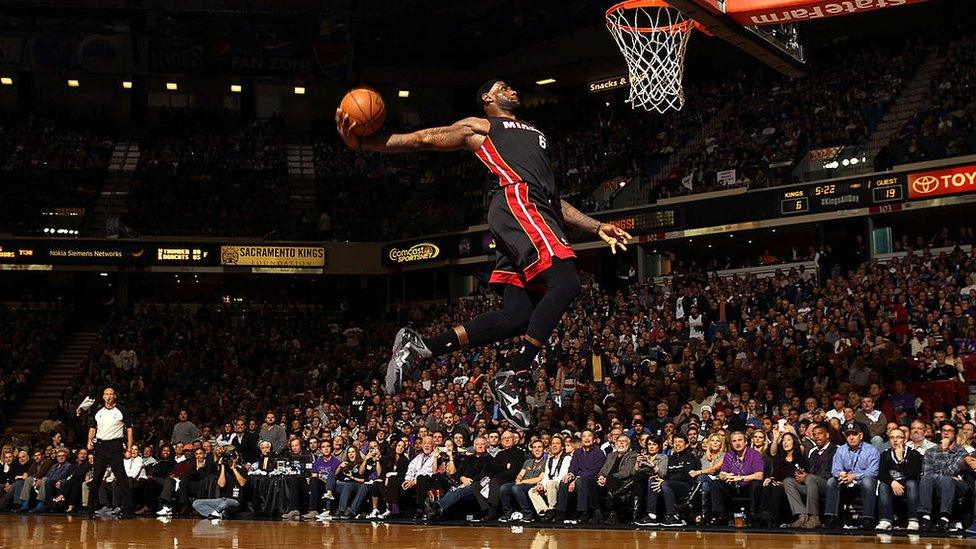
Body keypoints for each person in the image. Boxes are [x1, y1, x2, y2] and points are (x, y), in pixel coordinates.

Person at [337, 80, 632, 430]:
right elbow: (421, 139)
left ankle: (421, 348)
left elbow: (552, 199)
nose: (511, 87)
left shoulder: (535, 135)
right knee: (566, 283)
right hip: (517, 203)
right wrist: (364, 144)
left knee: (518, 315)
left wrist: (596, 227)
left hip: (531, 206)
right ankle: (515, 375)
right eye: (502, 86)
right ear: (488, 99)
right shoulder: (482, 126)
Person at [86, 387, 134, 518]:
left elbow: (129, 430)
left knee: (121, 478)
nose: (108, 396)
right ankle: (90, 510)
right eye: (106, 394)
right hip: (100, 446)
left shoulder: (122, 410)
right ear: (103, 396)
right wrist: (89, 440)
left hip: (115, 446)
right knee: (96, 478)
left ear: (114, 396)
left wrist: (129, 448)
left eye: (111, 394)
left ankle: (128, 511)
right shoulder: (98, 410)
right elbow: (92, 427)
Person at [823, 422, 880, 529]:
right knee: (832, 481)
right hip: (845, 481)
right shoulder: (841, 450)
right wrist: (841, 474)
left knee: (868, 481)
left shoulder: (871, 450)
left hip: (862, 481)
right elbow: (835, 469)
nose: (851, 437)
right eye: (848, 435)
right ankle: (831, 517)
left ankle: (868, 518)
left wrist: (854, 476)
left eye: (854, 434)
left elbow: (873, 471)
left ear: (861, 435)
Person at [916, 421, 968, 531]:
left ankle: (944, 518)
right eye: (944, 431)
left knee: (947, 480)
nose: (946, 433)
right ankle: (925, 517)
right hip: (936, 484)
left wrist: (944, 451)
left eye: (949, 431)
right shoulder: (931, 451)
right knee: (925, 478)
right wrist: (941, 476)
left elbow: (950, 472)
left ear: (955, 434)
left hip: (957, 486)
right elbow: (927, 473)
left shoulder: (961, 452)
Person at [783, 423, 835, 529]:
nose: (817, 437)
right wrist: (802, 475)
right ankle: (802, 515)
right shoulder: (814, 452)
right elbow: (809, 471)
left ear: (827, 435)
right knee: (788, 481)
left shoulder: (835, 450)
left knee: (811, 478)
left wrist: (808, 476)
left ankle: (814, 517)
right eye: (815, 434)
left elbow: (833, 472)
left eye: (820, 434)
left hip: (827, 485)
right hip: (811, 483)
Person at [426, 436, 491, 520]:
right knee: (453, 488)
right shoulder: (467, 458)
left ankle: (436, 506)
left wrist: (469, 482)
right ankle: (437, 510)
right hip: (462, 483)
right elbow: (458, 473)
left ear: (486, 445)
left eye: (482, 444)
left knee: (457, 490)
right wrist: (462, 478)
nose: (480, 446)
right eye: (477, 444)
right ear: (474, 446)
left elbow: (484, 475)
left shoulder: (490, 459)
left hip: (478, 485)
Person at [638, 433, 697, 526]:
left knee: (664, 484)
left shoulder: (691, 457)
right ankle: (651, 516)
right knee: (653, 480)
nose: (677, 444)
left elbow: (686, 475)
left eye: (680, 442)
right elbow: (665, 473)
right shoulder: (670, 458)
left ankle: (674, 516)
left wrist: (666, 481)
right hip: (669, 484)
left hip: (686, 486)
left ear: (686, 444)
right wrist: (659, 478)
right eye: (675, 442)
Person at [710, 432, 764, 526]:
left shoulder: (754, 454)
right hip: (732, 486)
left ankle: (753, 516)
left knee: (755, 484)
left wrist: (740, 478)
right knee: (716, 483)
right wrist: (726, 476)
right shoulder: (729, 455)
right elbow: (722, 473)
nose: (737, 443)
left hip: (747, 486)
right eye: (734, 441)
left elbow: (759, 475)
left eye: (740, 440)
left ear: (746, 442)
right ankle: (719, 515)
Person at [553, 430, 606, 523]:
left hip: (591, 478)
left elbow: (593, 471)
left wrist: (576, 479)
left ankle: (583, 512)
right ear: (581, 440)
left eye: (589, 436)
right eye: (584, 436)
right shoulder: (578, 452)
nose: (586, 438)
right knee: (564, 481)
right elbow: (573, 466)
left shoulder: (599, 453)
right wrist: (570, 475)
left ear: (593, 440)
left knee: (580, 481)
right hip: (578, 477)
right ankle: (562, 511)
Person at [876, 427, 922, 531]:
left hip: (908, 484)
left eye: (898, 437)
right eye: (892, 437)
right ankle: (885, 521)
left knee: (911, 483)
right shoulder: (885, 454)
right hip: (892, 484)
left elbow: (912, 474)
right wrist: (892, 482)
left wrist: (901, 459)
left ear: (905, 439)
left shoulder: (914, 454)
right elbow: (882, 474)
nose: (895, 440)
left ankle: (913, 520)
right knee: (883, 485)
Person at [758, 431, 807, 527]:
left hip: (792, 487)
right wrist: (771, 479)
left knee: (777, 488)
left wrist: (782, 483)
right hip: (777, 484)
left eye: (788, 440)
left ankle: (772, 517)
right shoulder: (779, 458)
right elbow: (775, 472)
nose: (785, 442)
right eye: (784, 440)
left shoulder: (800, 458)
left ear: (794, 442)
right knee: (767, 485)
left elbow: (798, 477)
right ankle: (761, 516)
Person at [593, 434, 638, 524]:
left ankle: (612, 512)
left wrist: (608, 478)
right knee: (591, 481)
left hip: (621, 482)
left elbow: (627, 472)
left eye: (624, 441)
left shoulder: (632, 455)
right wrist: (601, 477)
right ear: (616, 443)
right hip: (607, 480)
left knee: (611, 479)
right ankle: (597, 513)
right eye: (619, 441)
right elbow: (603, 469)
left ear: (628, 444)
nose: (621, 443)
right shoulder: (611, 455)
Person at [499, 439, 547, 522]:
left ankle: (528, 513)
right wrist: (519, 479)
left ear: (544, 449)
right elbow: (521, 474)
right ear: (532, 449)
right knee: (504, 487)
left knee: (516, 488)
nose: (537, 449)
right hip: (522, 483)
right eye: (535, 447)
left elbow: (539, 479)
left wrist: (523, 482)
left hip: (532, 484)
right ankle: (508, 513)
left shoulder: (546, 462)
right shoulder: (528, 461)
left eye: (539, 447)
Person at [191, 450, 247, 520]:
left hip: (235, 501)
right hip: (221, 499)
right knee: (196, 503)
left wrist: (233, 469)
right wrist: (222, 467)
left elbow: (242, 483)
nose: (229, 460)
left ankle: (216, 512)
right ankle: (217, 513)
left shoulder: (242, 469)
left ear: (235, 459)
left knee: (225, 503)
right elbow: (221, 485)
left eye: (231, 458)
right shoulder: (223, 471)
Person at [531, 435, 570, 518]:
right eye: (552, 443)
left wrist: (547, 485)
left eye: (557, 443)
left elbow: (562, 476)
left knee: (551, 483)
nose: (554, 445)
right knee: (532, 490)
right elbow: (546, 476)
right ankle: (545, 511)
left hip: (560, 484)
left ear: (562, 447)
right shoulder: (550, 459)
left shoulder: (567, 458)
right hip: (549, 484)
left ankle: (552, 509)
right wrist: (541, 485)